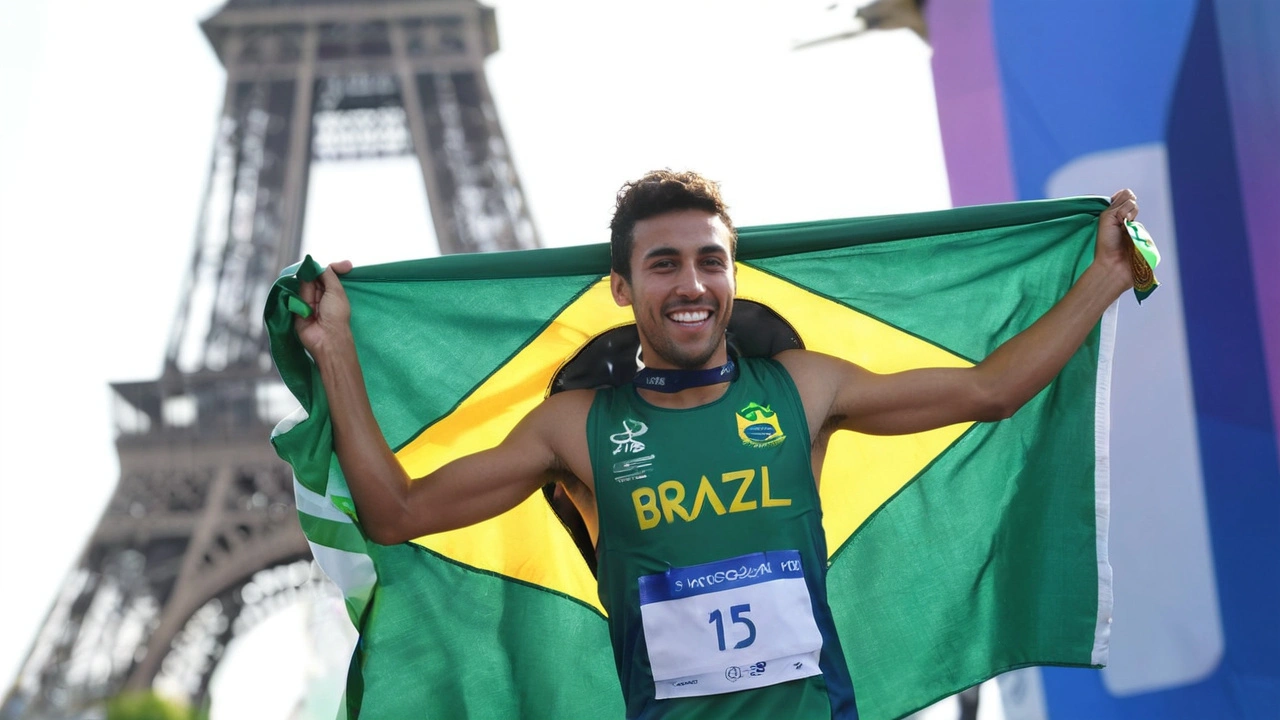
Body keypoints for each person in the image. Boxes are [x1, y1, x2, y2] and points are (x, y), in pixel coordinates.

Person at [294, 170, 1140, 720]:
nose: (691, 285)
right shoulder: (576, 425)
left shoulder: (806, 388)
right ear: (622, 288)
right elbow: (395, 512)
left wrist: (1104, 276)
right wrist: (335, 353)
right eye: (663, 265)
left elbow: (989, 391)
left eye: (711, 262)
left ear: (734, 277)